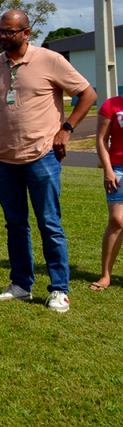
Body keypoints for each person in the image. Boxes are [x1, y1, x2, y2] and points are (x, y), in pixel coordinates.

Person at [0, 10, 95, 313]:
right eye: (0, 31)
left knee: (49, 224)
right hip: (3, 158)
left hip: (41, 156)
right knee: (15, 224)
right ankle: (20, 285)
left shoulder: (49, 60)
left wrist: (66, 129)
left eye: (10, 32)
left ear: (27, 33)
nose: (4, 36)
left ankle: (59, 289)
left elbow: (87, 94)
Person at [94, 90, 123, 290]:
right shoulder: (112, 104)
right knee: (117, 220)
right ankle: (106, 275)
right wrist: (108, 170)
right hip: (118, 169)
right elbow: (102, 139)